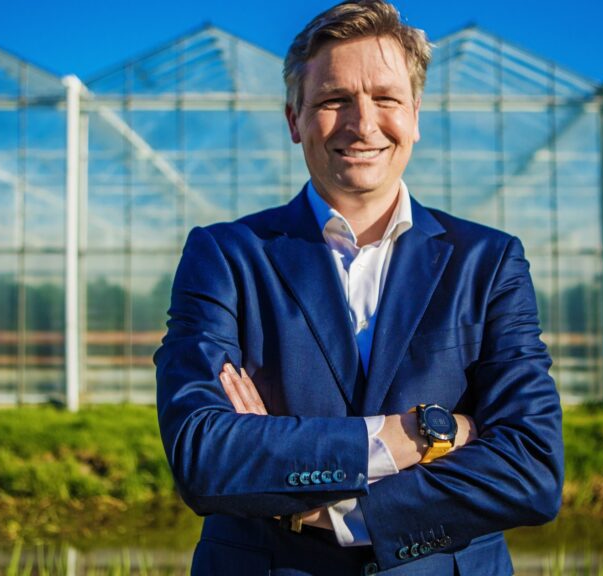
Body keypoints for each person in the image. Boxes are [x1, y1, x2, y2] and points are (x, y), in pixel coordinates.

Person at [154, 1, 563, 573]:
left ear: (415, 114)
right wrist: (412, 436)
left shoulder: (488, 263)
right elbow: (204, 455)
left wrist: (341, 510)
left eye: (386, 98)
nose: (363, 123)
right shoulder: (225, 256)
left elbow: (533, 470)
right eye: (333, 99)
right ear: (295, 119)